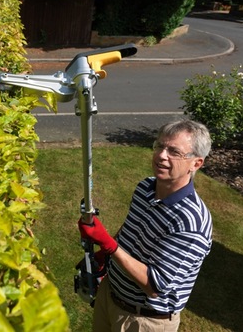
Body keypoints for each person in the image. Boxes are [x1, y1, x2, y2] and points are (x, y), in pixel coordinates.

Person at [78, 119, 213, 332]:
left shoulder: (191, 222)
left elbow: (154, 286)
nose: (161, 155)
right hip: (110, 295)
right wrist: (105, 257)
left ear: (196, 163)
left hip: (143, 320)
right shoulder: (146, 187)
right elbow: (131, 229)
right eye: (160, 146)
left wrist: (108, 245)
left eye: (174, 152)